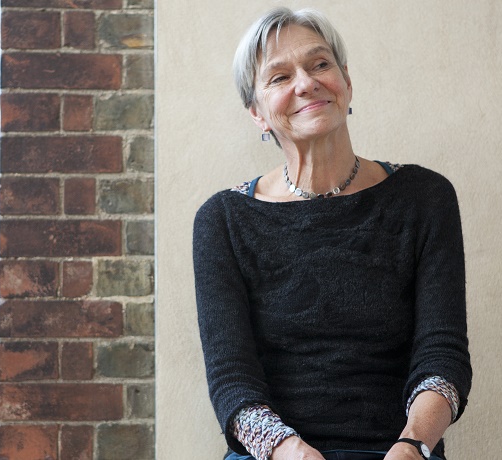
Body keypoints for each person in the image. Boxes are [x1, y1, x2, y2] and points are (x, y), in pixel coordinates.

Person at [192, 7, 472, 460]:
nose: (306, 83)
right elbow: (231, 379)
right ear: (257, 113)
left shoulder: (425, 197)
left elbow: (443, 357)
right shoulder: (223, 220)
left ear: (346, 80)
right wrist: (291, 452)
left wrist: (413, 444)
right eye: (279, 77)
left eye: (320, 64)